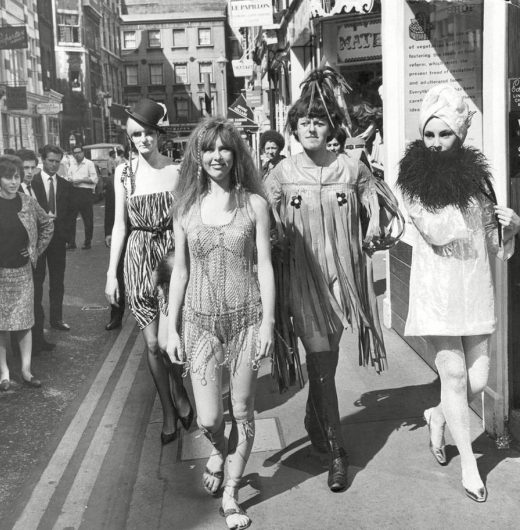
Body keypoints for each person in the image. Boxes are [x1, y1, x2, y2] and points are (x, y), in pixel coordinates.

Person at [396, 84, 520, 503]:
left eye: (443, 134)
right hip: (438, 291)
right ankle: (469, 462)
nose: (434, 143)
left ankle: (438, 415)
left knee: (479, 378)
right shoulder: (414, 178)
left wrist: (509, 225)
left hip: (474, 287)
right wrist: (473, 202)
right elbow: (437, 231)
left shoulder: (478, 176)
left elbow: (495, 244)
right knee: (452, 374)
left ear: (460, 135)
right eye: (429, 134)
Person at [265, 67, 385, 492]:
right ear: (294, 129)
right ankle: (338, 452)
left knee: (328, 359)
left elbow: (375, 197)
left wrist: (372, 227)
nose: (311, 127)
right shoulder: (281, 174)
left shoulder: (351, 168)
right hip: (302, 279)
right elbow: (262, 218)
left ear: (331, 125)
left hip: (343, 279)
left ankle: (315, 417)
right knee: (321, 362)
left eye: (318, 121)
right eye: (303, 122)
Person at [166, 118, 275, 530]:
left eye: (225, 148)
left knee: (243, 410)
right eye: (209, 149)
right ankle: (218, 449)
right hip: (200, 322)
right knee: (209, 419)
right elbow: (179, 271)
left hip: (246, 318)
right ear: (197, 155)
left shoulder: (254, 205)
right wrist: (172, 327)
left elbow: (264, 266)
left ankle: (231, 493)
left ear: (236, 155)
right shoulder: (185, 209)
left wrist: (267, 323)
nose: (217, 156)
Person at [105, 98, 193, 445]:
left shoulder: (177, 170)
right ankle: (169, 411)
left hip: (170, 258)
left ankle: (182, 393)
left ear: (159, 135)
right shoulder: (123, 174)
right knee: (153, 344)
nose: (142, 140)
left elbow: (186, 222)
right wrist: (112, 274)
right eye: (136, 135)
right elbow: (120, 226)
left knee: (171, 339)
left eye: (148, 134)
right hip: (137, 258)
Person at [0, 155, 53, 391]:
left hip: (22, 272)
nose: (14, 181)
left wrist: (35, 250)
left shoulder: (27, 202)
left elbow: (47, 224)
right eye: (8, 177)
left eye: (17, 176)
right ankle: (4, 372)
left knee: (24, 323)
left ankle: (26, 370)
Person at [32, 144, 71, 340]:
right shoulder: (33, 183)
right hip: (38, 239)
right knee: (37, 280)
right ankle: (37, 322)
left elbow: (69, 214)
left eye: (57, 161)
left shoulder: (65, 184)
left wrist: (67, 238)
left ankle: (57, 319)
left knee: (57, 280)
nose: (54, 165)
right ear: (43, 160)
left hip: (58, 239)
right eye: (50, 161)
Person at [104, 152, 125, 331]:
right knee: (118, 274)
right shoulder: (115, 179)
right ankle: (116, 315)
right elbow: (110, 208)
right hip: (121, 233)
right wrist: (107, 232)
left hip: (140, 232)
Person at [66, 144, 98, 250]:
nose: (77, 155)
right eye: (75, 153)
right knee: (71, 219)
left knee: (87, 219)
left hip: (85, 193)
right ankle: (71, 243)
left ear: (83, 153)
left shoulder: (89, 163)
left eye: (79, 152)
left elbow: (94, 179)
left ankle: (87, 242)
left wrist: (81, 180)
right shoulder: (72, 164)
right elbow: (69, 176)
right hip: (73, 192)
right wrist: (70, 180)